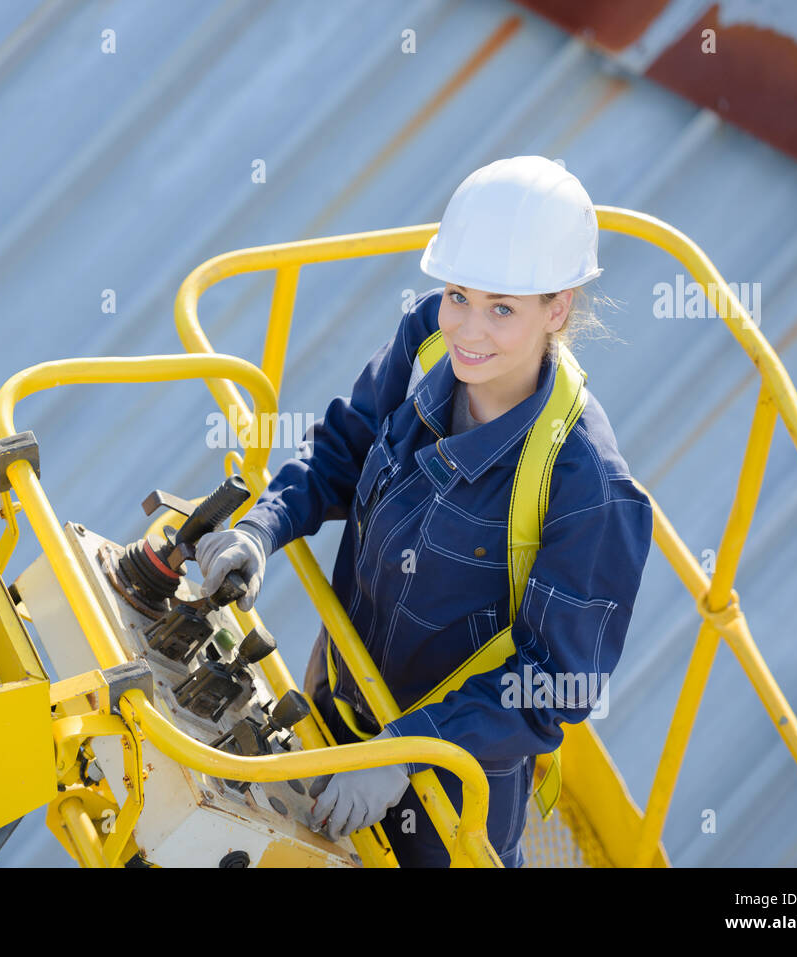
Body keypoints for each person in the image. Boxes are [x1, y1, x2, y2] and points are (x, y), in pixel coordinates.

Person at [194, 156, 653, 867]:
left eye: (502, 307)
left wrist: (406, 752)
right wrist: (263, 525)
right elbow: (343, 450)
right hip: (333, 707)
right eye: (458, 294)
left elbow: (556, 683)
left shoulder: (586, 482)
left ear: (556, 309)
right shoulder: (426, 343)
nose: (469, 329)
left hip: (445, 806)